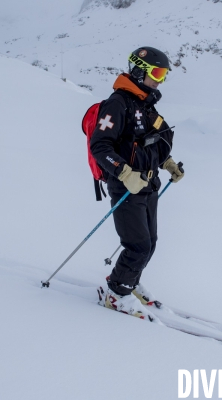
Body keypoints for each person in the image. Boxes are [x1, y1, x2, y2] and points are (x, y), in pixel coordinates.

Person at [91, 46, 185, 320]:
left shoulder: (145, 104)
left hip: (148, 184)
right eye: (156, 73)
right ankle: (116, 294)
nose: (160, 79)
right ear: (138, 70)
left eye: (163, 74)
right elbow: (100, 146)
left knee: (150, 242)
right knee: (138, 246)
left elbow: (154, 140)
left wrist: (167, 163)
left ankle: (128, 281)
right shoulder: (117, 104)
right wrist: (123, 173)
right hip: (126, 185)